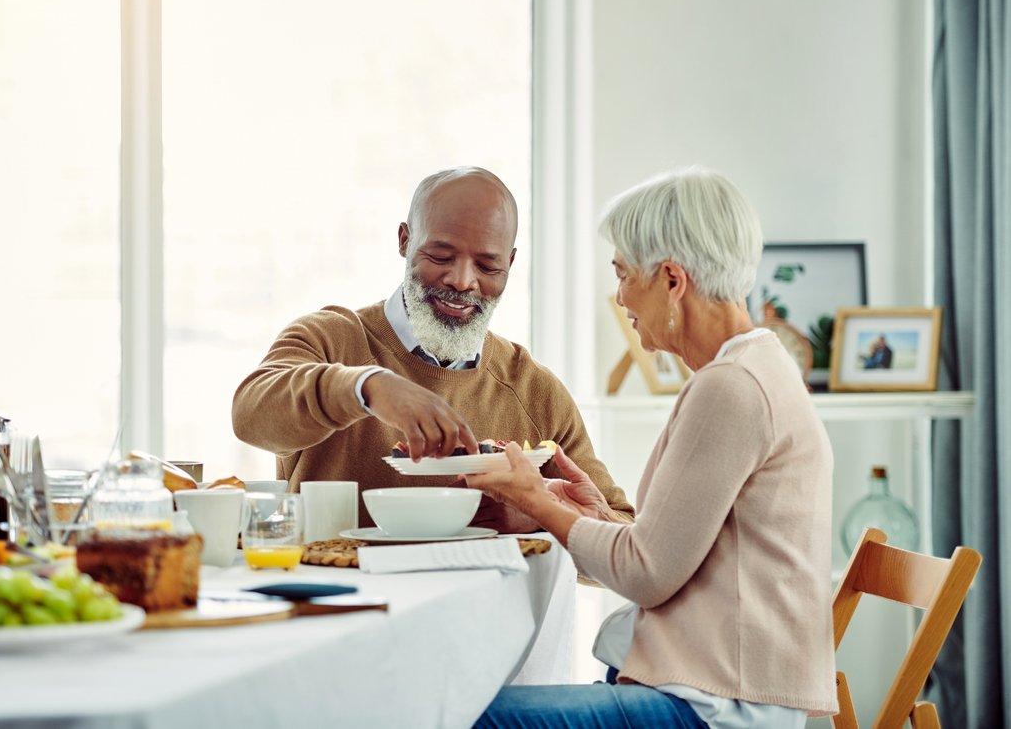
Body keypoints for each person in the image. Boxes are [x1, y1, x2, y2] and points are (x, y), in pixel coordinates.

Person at [468, 167, 837, 726]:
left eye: (621, 274)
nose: (618, 297)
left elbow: (645, 574)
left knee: (463, 713)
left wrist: (537, 502)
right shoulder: (754, 368)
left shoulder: (730, 387)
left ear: (671, 279)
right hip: (719, 690)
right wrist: (587, 512)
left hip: (712, 708)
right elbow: (669, 553)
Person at [232, 166, 634, 532]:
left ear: (510, 264)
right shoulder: (332, 339)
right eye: (440, 256)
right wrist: (367, 386)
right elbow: (249, 414)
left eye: (487, 267)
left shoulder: (533, 390)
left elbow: (625, 542)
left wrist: (544, 516)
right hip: (342, 607)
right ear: (405, 241)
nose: (462, 281)